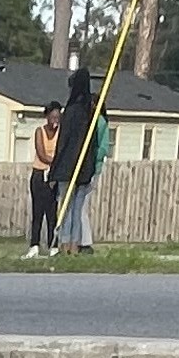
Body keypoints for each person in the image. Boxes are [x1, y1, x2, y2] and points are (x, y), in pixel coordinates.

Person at [58, 92, 111, 253]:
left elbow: (103, 147)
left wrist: (91, 159)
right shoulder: (83, 121)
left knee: (80, 208)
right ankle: (71, 241)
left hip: (92, 169)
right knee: (74, 208)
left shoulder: (100, 123)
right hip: (78, 168)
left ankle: (82, 241)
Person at [25, 108, 61, 255]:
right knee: (37, 211)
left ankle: (53, 246)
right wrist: (55, 161)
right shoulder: (39, 131)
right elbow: (41, 154)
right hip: (39, 174)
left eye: (58, 118)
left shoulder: (61, 133)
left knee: (52, 213)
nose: (55, 121)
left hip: (53, 175)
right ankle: (34, 245)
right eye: (53, 117)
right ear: (47, 117)